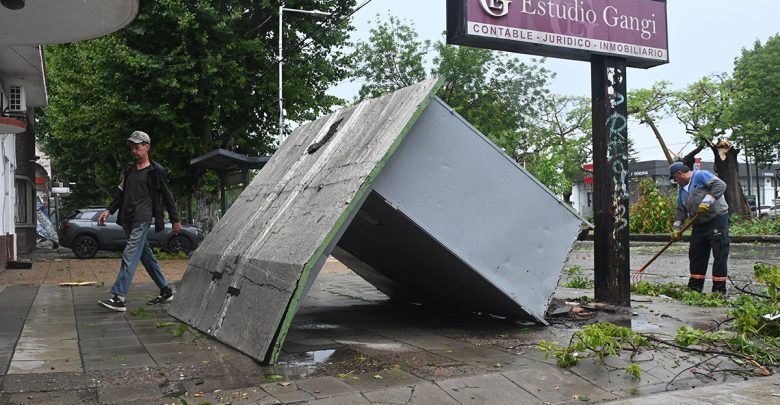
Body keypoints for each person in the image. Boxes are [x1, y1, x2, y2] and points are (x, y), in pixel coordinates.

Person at [98, 130, 181, 312]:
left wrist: (175, 220)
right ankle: (165, 290)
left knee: (130, 254)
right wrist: (108, 210)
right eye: (132, 148)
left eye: (137, 147)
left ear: (147, 147)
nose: (134, 151)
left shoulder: (156, 171)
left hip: (142, 218)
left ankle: (119, 297)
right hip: (127, 218)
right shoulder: (129, 169)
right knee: (146, 256)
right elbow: (120, 193)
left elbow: (167, 195)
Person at [668, 161, 730, 294]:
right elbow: (680, 210)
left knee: (719, 254)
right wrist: (677, 228)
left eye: (674, 178)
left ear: (679, 174)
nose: (675, 181)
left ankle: (719, 290)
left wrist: (707, 201)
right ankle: (695, 288)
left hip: (716, 219)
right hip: (698, 224)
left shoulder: (700, 175)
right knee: (696, 255)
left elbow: (720, 185)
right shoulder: (682, 191)